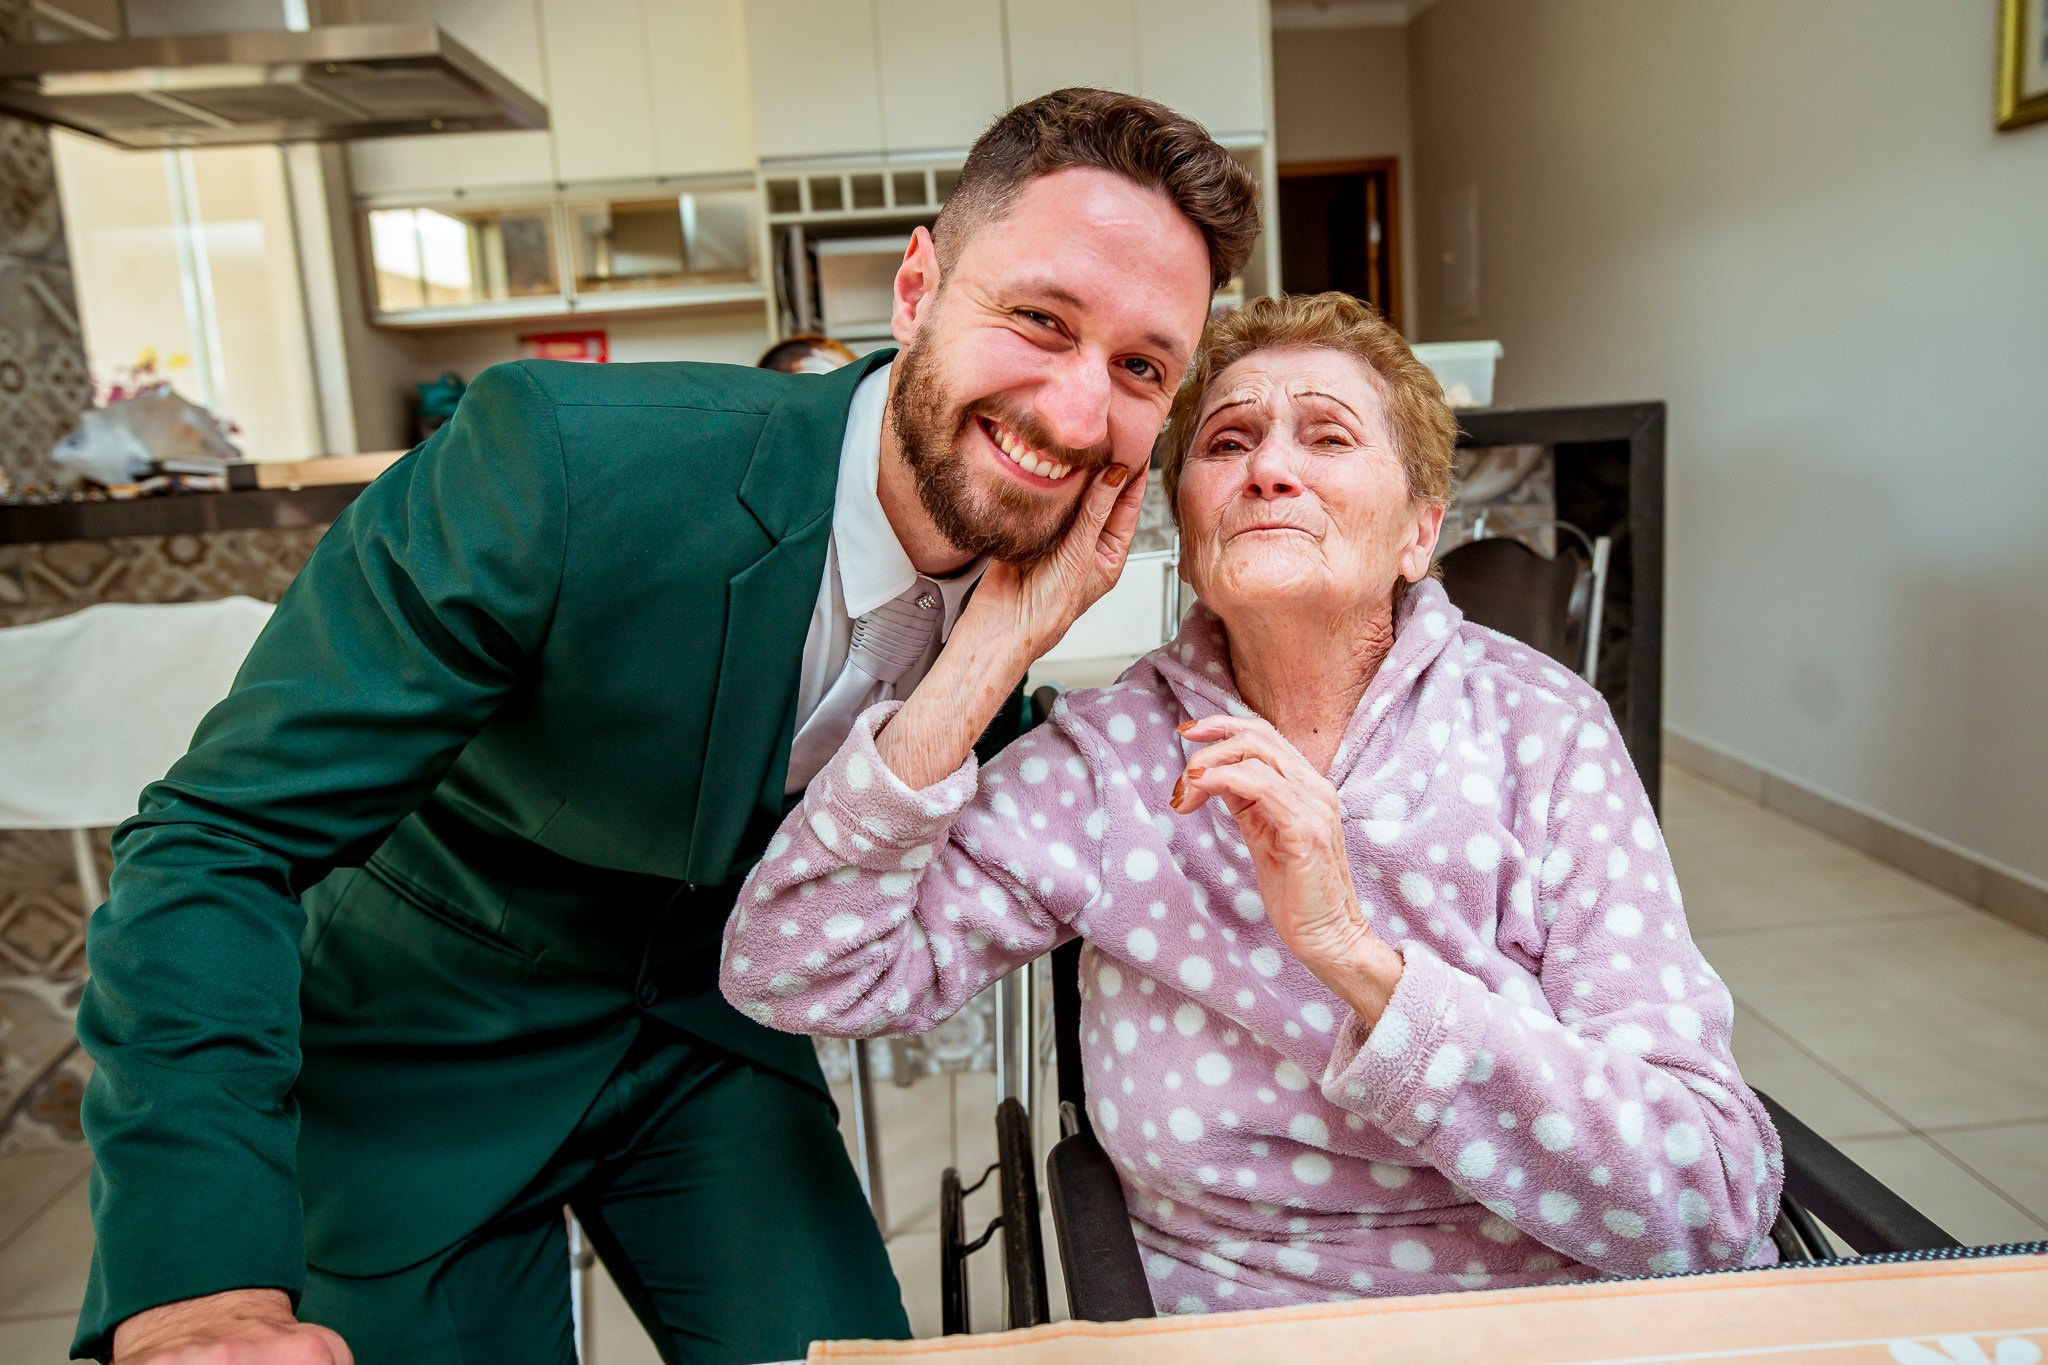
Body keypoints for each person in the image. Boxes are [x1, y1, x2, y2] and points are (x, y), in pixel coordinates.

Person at [75, 88, 1259, 1365]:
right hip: (423, 1026)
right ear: (917, 288)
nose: (1075, 417)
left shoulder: (1034, 581)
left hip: (708, 1034)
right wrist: (199, 1293)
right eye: (1038, 320)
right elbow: (217, 842)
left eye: (1140, 368)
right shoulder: (559, 466)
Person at [722, 292, 1784, 1315]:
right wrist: (991, 646)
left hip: (1558, 1306)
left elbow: (1711, 1201)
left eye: (1327, 437)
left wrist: (1355, 960)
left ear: (1418, 532)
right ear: (1184, 527)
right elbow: (790, 967)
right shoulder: (1110, 763)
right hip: (1231, 1316)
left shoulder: (1541, 729)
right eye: (1227, 442)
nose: (1269, 468)